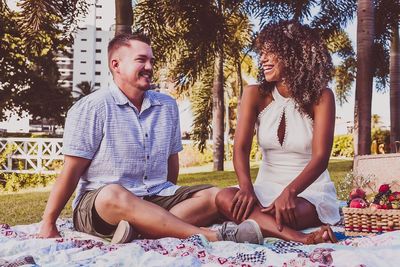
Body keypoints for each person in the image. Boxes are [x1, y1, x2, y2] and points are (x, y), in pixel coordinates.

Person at [38, 33, 263, 245]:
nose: (149, 67)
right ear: (115, 65)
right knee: (113, 193)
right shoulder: (92, 108)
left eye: (151, 61)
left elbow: (171, 163)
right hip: (101, 205)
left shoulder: (167, 106)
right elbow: (71, 171)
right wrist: (48, 223)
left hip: (156, 196)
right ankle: (212, 236)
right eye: (141, 60)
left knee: (215, 195)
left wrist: (169, 202)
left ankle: (142, 227)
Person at [215, 21, 340, 244]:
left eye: (271, 52)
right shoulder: (254, 94)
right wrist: (246, 188)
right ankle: (301, 238)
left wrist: (290, 192)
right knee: (224, 197)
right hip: (265, 187)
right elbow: (240, 148)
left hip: (308, 192)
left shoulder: (322, 97)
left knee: (282, 213)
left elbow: (321, 158)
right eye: (261, 52)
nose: (262, 59)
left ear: (294, 54)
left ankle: (258, 224)